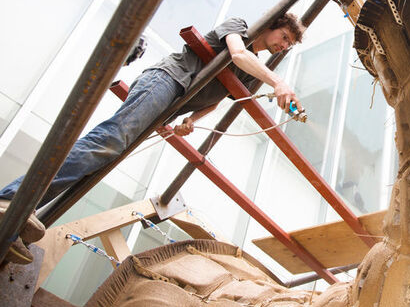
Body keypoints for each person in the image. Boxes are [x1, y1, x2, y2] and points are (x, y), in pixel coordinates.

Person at [0, 14, 304, 263]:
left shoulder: (252, 73)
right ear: (272, 26)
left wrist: (191, 120)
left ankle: (16, 224)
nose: (284, 46)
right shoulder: (241, 28)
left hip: (176, 105)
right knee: (110, 141)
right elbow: (237, 53)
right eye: (285, 38)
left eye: (289, 44)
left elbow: (218, 99)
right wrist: (278, 81)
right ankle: (11, 201)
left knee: (108, 155)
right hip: (167, 81)